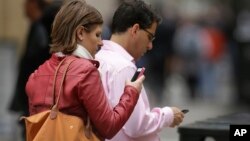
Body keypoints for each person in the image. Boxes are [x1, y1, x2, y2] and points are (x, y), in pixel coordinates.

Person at [25, 0, 145, 140]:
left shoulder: (36, 75)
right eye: (97, 35)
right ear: (80, 33)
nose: (101, 42)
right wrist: (131, 92)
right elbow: (109, 127)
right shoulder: (86, 71)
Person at [95, 1, 184, 141]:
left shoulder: (98, 58)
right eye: (150, 37)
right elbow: (136, 125)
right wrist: (167, 115)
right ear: (135, 30)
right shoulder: (124, 67)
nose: (150, 46)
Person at [8, 0, 61, 140]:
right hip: (35, 99)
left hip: (36, 99)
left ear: (33, 4)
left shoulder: (41, 29)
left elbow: (33, 65)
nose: (23, 6)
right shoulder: (38, 27)